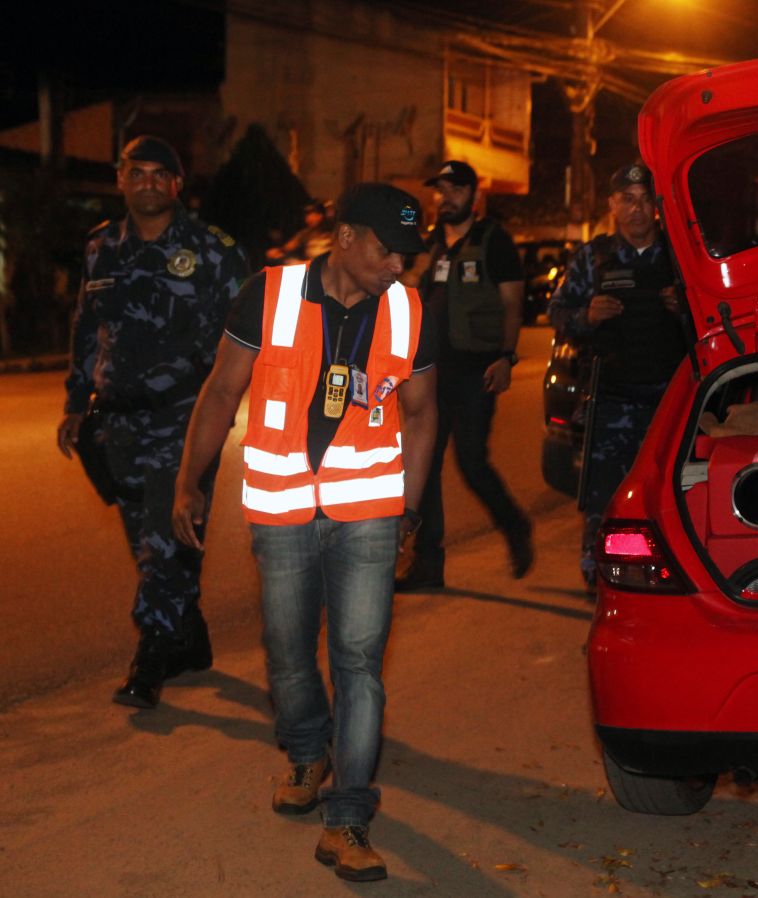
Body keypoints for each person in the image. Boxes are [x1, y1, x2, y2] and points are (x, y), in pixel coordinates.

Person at [171, 182, 437, 882]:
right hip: (283, 510)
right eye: (387, 250)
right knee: (288, 654)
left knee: (359, 663)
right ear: (346, 238)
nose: (398, 267)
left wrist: (408, 509)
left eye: (408, 255)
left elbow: (421, 412)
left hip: (369, 514)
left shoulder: (408, 309)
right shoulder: (271, 293)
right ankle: (307, 749)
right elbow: (222, 391)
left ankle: (347, 818)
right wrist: (188, 481)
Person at [56, 135, 249, 709]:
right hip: (118, 423)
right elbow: (88, 328)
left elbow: (239, 333)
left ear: (176, 184)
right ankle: (189, 638)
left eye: (158, 174)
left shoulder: (214, 250)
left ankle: (153, 654)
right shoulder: (101, 249)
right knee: (148, 542)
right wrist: (75, 401)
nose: (146, 182)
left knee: (168, 538)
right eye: (135, 172)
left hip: (185, 419)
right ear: (120, 179)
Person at [548, 162, 688, 587]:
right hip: (612, 398)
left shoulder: (680, 254)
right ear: (612, 204)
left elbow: (714, 321)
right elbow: (557, 313)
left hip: (671, 402)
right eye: (628, 199)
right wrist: (586, 316)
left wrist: (685, 310)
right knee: (605, 495)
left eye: (646, 199)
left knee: (670, 494)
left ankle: (673, 573)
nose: (637, 209)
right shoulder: (594, 258)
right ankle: (601, 576)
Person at [395, 160, 532, 590]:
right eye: (440, 190)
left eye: (454, 189)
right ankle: (428, 564)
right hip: (431, 374)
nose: (444, 197)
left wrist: (507, 358)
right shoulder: (430, 244)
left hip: (476, 373)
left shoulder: (495, 242)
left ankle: (515, 526)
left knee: (472, 464)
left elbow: (512, 304)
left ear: (474, 196)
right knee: (425, 466)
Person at [266, 198, 336, 264]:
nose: (308, 218)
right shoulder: (305, 233)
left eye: (313, 213)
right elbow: (288, 247)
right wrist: (278, 251)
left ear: (323, 214)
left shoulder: (335, 231)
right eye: (307, 214)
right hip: (312, 268)